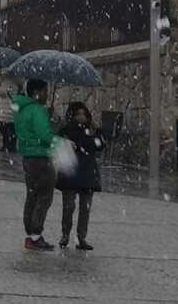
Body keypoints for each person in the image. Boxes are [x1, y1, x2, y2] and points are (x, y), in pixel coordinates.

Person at [12, 78, 58, 251]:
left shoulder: (22, 109)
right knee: (44, 196)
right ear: (37, 92)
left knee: (32, 195)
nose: (47, 94)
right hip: (41, 158)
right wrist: (60, 140)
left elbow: (29, 130)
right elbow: (45, 136)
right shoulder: (38, 110)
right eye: (45, 91)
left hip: (28, 158)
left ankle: (30, 234)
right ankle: (36, 235)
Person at [57, 102, 104, 251]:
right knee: (69, 206)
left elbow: (99, 145)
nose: (81, 117)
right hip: (71, 172)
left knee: (85, 208)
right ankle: (65, 235)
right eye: (78, 114)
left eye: (84, 114)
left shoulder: (93, 129)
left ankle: (81, 237)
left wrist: (96, 134)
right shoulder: (66, 130)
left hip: (88, 173)